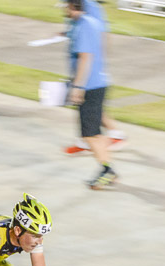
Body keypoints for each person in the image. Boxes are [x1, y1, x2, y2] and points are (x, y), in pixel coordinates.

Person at [65, 0, 117, 190]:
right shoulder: (91, 22)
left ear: (72, 6)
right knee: (93, 133)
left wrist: (78, 87)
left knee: (90, 135)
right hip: (98, 83)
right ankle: (106, 169)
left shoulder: (83, 26)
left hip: (90, 86)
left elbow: (85, 58)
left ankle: (107, 170)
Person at [65, 0, 127, 154]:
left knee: (89, 103)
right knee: (84, 104)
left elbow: (101, 33)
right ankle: (84, 139)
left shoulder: (89, 5)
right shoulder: (76, 5)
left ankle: (114, 135)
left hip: (90, 70)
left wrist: (99, 62)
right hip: (83, 66)